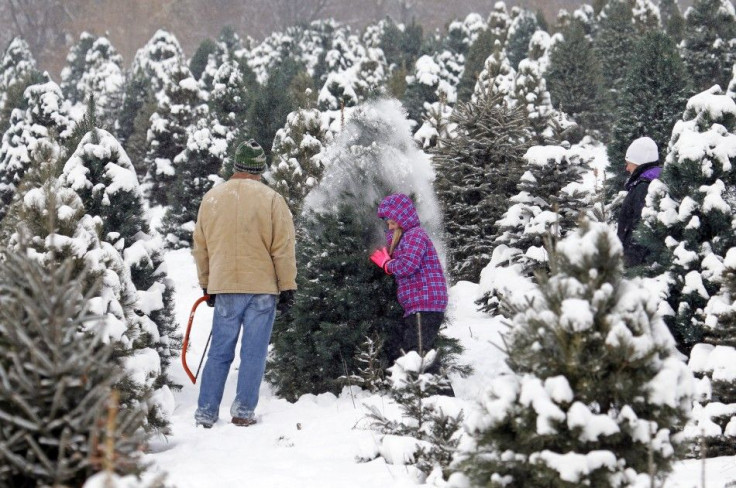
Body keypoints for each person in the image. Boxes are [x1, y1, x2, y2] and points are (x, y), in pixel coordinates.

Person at [192, 139, 297, 428]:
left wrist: (206, 283)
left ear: (236, 165)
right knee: (253, 352)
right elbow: (283, 247)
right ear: (260, 168)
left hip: (225, 285)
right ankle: (243, 412)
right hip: (262, 288)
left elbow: (200, 247)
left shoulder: (212, 199)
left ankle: (206, 413)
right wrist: (287, 285)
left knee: (219, 351)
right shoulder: (273, 199)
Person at [370, 193, 449, 365]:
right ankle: (431, 390)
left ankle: (440, 391)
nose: (389, 227)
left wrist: (387, 264)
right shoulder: (407, 237)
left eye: (392, 223)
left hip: (426, 303)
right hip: (419, 304)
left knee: (418, 354)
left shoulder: (415, 235)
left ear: (402, 219)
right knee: (419, 353)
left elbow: (407, 265)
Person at [617, 136, 662, 268]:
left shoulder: (644, 187)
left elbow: (641, 225)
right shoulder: (647, 183)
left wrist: (630, 261)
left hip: (637, 262)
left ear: (639, 162)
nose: (627, 168)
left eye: (628, 163)